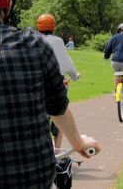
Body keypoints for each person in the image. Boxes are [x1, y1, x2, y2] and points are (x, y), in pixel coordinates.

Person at [0, 0, 100, 188]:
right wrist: (78, 142)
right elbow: (57, 107)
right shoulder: (35, 45)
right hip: (31, 177)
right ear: (7, 3)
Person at [37, 14, 81, 150]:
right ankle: (57, 151)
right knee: (59, 114)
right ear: (53, 26)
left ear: (38, 26)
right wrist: (74, 75)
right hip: (56, 85)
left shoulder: (32, 39)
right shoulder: (57, 41)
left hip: (37, 85)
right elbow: (66, 60)